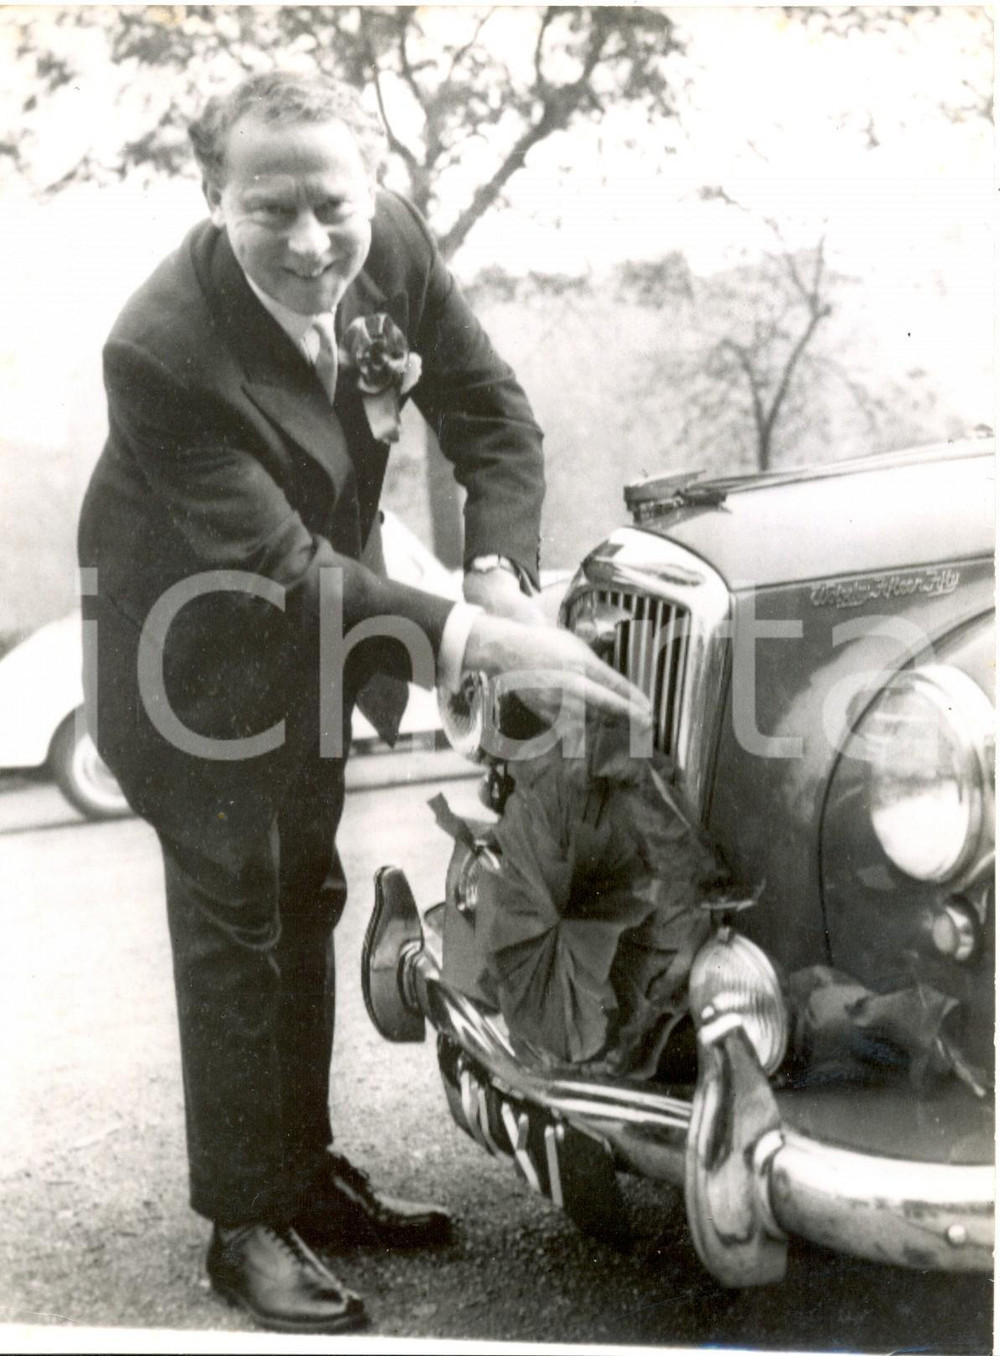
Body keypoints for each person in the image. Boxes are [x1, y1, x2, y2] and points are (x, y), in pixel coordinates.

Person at [78, 71, 649, 1335]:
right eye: (267, 210)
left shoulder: (389, 240)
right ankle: (243, 1222)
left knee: (308, 894)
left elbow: (491, 415)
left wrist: (498, 563)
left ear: (371, 181)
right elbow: (280, 571)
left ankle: (306, 1178)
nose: (308, 242)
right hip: (186, 659)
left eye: (330, 204)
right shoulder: (157, 349)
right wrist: (480, 641)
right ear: (212, 198)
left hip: (317, 635)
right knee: (238, 919)